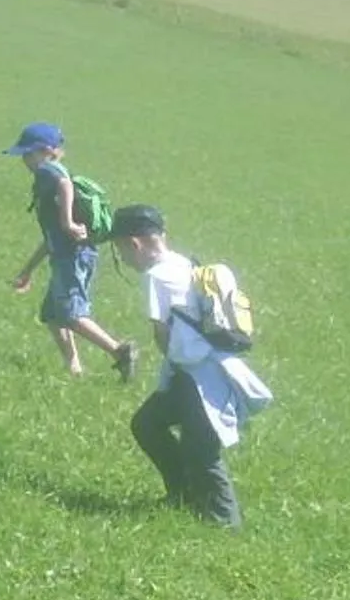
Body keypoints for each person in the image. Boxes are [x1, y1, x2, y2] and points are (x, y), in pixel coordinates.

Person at [107, 203, 270, 526]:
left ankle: (225, 523)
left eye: (120, 250)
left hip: (201, 377)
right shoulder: (183, 262)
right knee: (148, 423)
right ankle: (183, 494)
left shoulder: (155, 277)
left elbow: (161, 334)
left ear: (134, 244)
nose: (122, 259)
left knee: (202, 452)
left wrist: (174, 363)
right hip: (194, 372)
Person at [3, 122, 138, 381]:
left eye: (28, 154)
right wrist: (27, 271)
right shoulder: (47, 180)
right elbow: (50, 239)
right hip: (67, 256)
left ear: (45, 151)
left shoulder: (48, 171)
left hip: (73, 258)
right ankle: (74, 368)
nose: (24, 160)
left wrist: (68, 222)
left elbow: (65, 185)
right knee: (53, 315)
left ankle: (119, 351)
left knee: (72, 315)